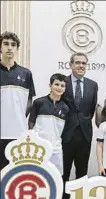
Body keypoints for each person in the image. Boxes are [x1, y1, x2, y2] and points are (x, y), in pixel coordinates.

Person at [60, 52, 98, 199]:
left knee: (82, 171)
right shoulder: (63, 83)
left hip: (84, 134)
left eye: (84, 63)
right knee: (64, 171)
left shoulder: (92, 85)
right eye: (78, 63)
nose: (81, 66)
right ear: (71, 65)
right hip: (66, 134)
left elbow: (91, 109)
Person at [0, 31, 36, 170]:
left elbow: (29, 102)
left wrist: (19, 118)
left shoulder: (26, 73)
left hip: (18, 132)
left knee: (14, 172)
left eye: (13, 45)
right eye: (6, 44)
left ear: (17, 48)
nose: (10, 48)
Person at [28, 73, 69, 175]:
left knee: (55, 177)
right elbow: (31, 123)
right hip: (38, 148)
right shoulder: (39, 102)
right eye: (56, 84)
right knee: (37, 176)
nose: (59, 88)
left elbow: (63, 131)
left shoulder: (65, 108)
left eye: (62, 86)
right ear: (50, 86)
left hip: (56, 149)